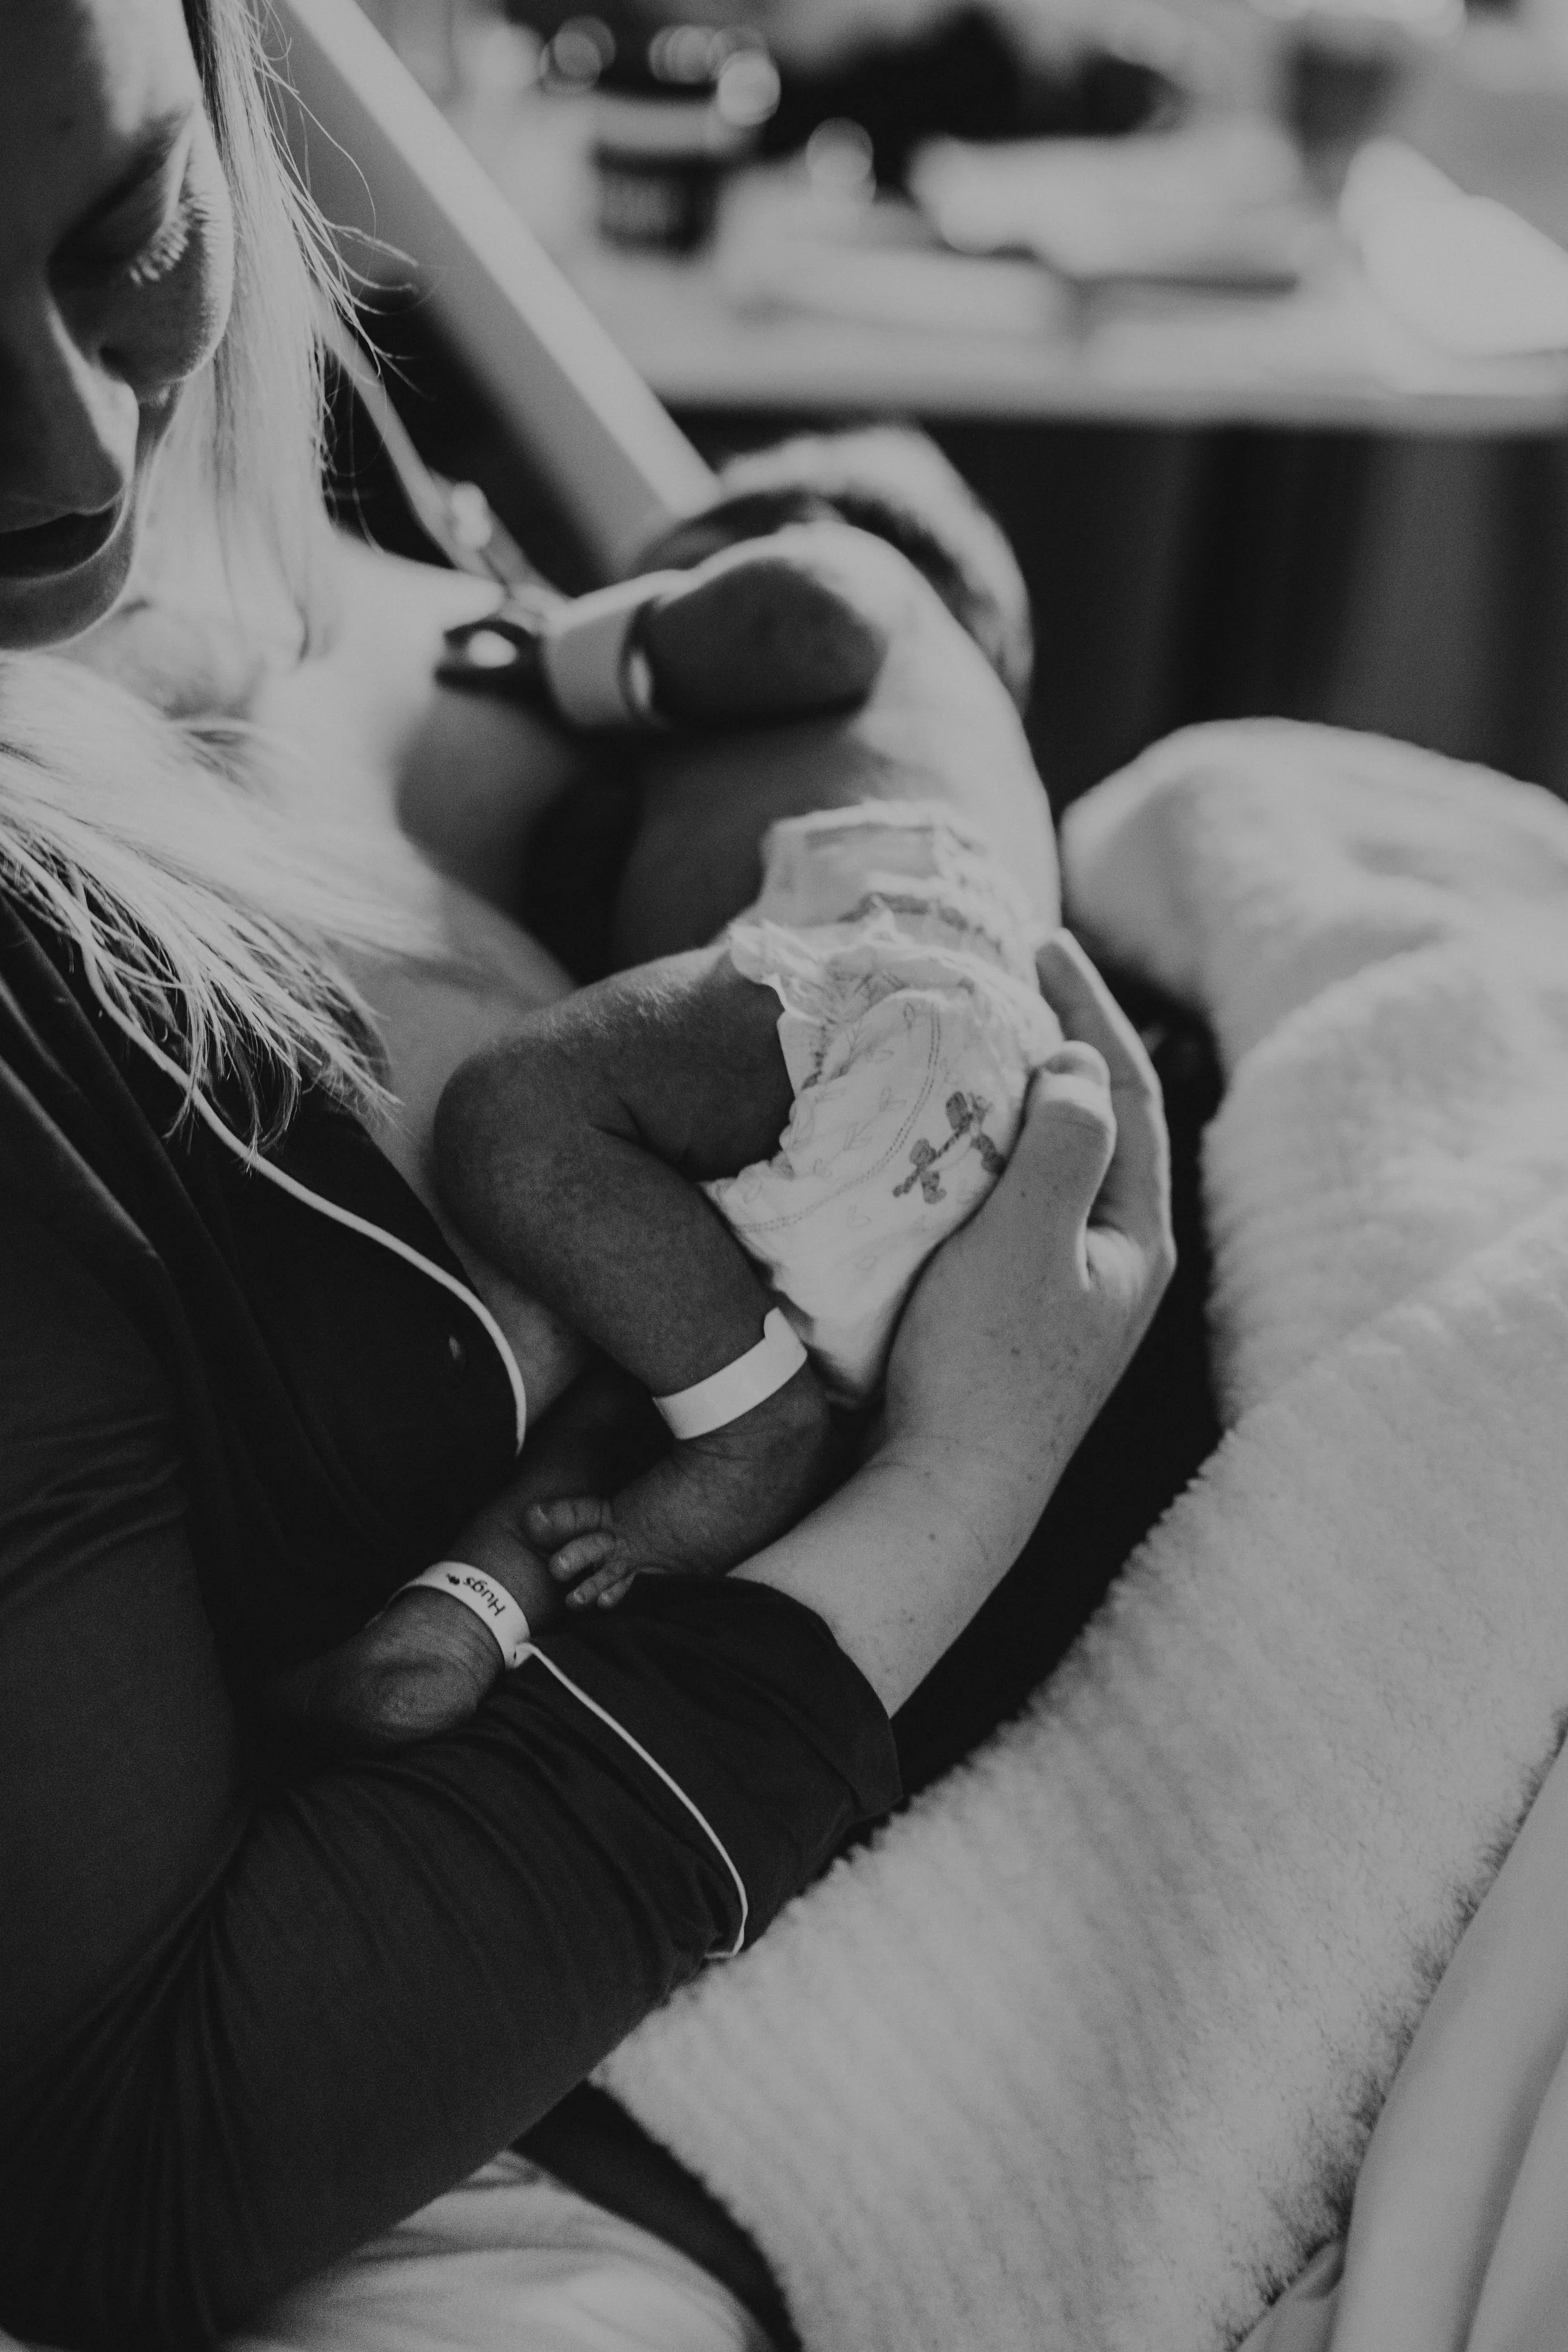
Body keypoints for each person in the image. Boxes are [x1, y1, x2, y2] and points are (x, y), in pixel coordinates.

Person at [0, 4, 1175, 2351]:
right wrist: (958, 1473)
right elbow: (130, 2162)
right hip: (946, 1816)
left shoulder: (345, 538)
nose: (66, 453)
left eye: (125, 233)